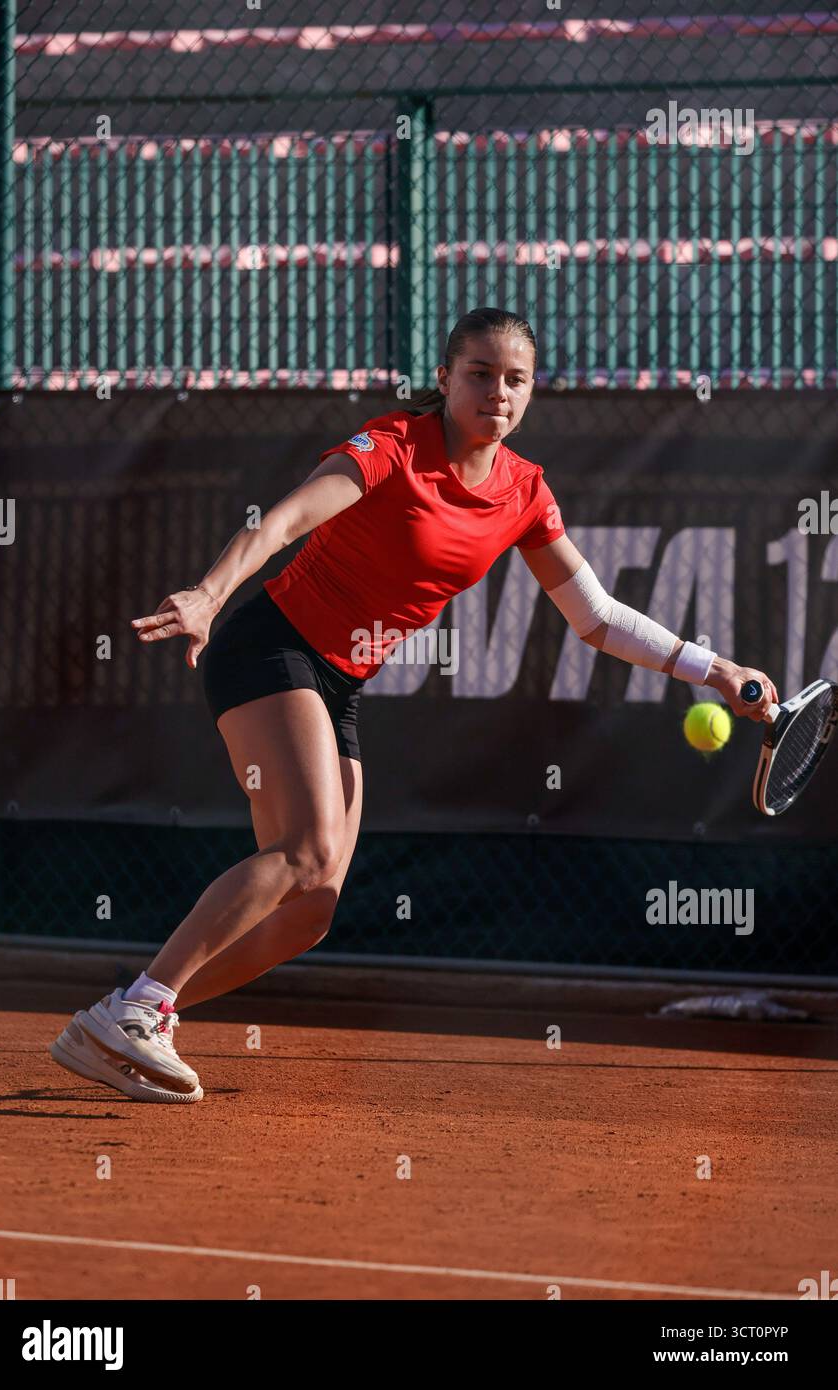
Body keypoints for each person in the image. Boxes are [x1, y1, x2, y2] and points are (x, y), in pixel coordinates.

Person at [48, 306, 779, 1103]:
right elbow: (287, 518)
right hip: (271, 645)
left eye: (515, 380)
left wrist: (712, 669)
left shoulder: (525, 491)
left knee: (310, 909)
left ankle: (126, 1017)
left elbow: (597, 618)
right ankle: (141, 1008)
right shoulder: (394, 446)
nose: (497, 393)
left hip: (341, 683)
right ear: (445, 378)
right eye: (479, 374)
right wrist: (208, 594)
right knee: (304, 845)